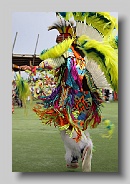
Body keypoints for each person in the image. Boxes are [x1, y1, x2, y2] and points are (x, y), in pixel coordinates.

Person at [14, 12, 118, 172]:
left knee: (66, 129)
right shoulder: (81, 56)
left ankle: (83, 148)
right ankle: (73, 159)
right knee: (79, 127)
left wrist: (32, 67)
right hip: (87, 99)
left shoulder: (65, 53)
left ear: (63, 41)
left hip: (69, 98)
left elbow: (52, 62)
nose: (57, 43)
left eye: (58, 40)